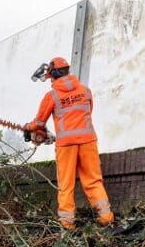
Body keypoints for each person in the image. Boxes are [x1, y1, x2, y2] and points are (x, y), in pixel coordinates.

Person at [25, 57, 114, 230]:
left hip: (66, 145)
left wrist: (28, 127)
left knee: (66, 185)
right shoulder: (86, 91)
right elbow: (87, 113)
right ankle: (106, 217)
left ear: (53, 75)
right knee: (94, 181)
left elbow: (39, 124)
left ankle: (67, 223)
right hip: (88, 141)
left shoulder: (52, 96)